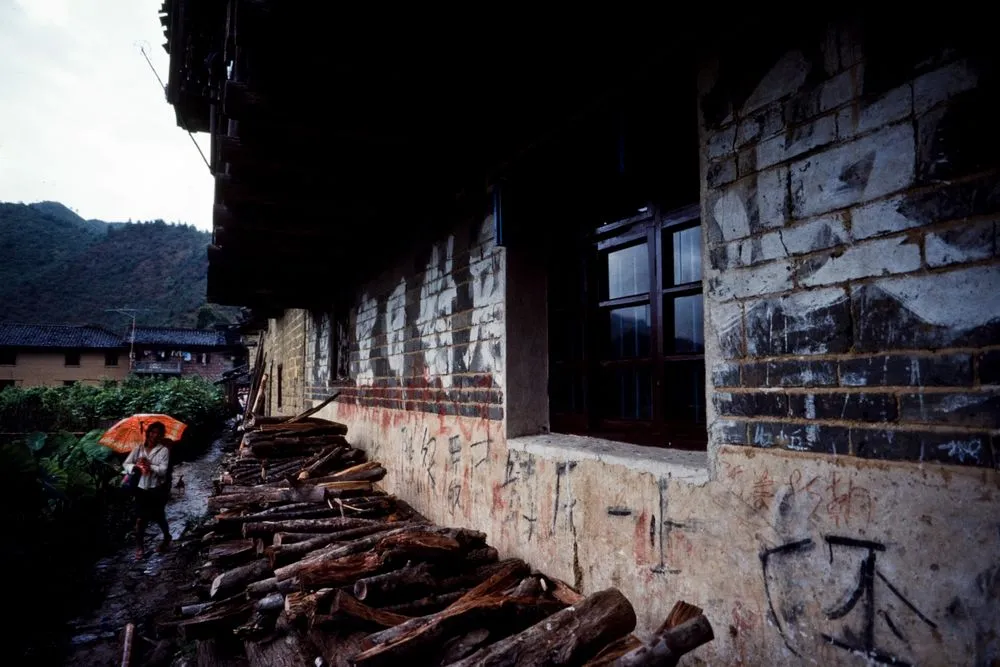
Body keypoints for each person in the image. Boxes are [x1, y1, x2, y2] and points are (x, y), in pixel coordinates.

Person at [123, 421, 172, 559]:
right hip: (141, 488)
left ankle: (167, 537)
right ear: (148, 433)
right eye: (152, 432)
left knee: (159, 517)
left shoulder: (163, 450)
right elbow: (126, 463)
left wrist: (150, 465)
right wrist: (136, 466)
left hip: (156, 489)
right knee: (140, 519)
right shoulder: (138, 448)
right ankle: (140, 547)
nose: (154, 435)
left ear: (161, 435)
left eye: (158, 433)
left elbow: (163, 471)